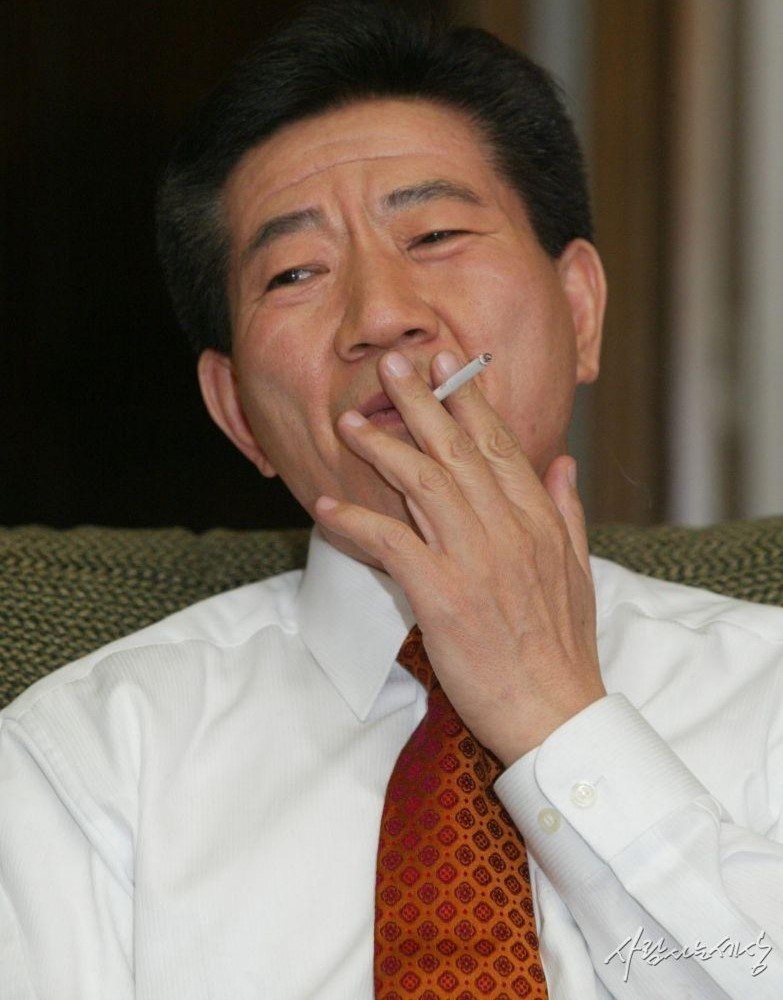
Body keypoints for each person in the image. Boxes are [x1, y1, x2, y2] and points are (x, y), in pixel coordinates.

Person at [1, 2, 782, 997]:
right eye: (296, 272)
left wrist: (550, 709)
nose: (380, 316)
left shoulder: (767, 692)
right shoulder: (90, 757)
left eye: (437, 234)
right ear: (236, 411)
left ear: (579, 309)